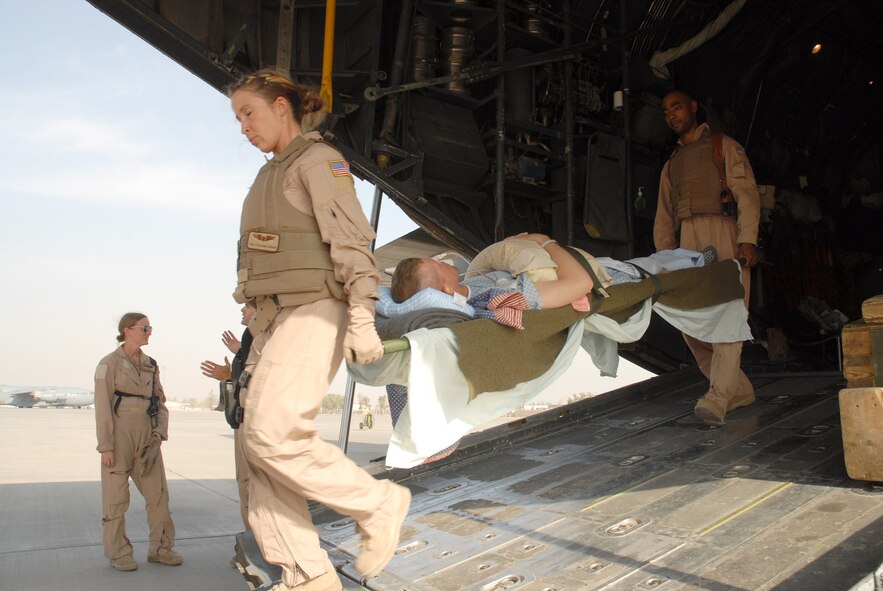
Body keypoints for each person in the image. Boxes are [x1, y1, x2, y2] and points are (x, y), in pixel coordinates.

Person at [227, 68, 410, 591]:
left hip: (314, 311)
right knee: (257, 451)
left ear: (282, 106)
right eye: (237, 116)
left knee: (274, 433)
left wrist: (360, 315)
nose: (243, 126)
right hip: (274, 320)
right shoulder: (269, 173)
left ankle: (378, 505)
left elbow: (352, 243)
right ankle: (306, 575)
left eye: (249, 112)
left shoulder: (317, 161)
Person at [653, 89, 761, 425]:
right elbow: (664, 215)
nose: (672, 114)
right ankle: (738, 390)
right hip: (688, 243)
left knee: (727, 315)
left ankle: (718, 397)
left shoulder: (722, 145)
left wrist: (748, 240)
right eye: (666, 110)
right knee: (691, 322)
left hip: (723, 232)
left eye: (677, 107)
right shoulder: (672, 163)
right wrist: (665, 258)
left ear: (693, 107)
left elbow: (747, 193)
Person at [93, 313, 182, 571]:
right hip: (119, 438)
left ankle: (161, 548)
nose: (149, 332)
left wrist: (159, 433)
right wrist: (106, 445)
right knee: (116, 499)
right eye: (145, 328)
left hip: (147, 438)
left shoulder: (151, 365)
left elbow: (161, 404)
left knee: (158, 496)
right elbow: (102, 407)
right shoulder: (107, 364)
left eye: (150, 327)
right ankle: (119, 552)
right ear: (127, 330)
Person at [391, 233, 593, 309]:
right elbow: (581, 283)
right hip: (616, 276)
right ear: (445, 291)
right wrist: (544, 241)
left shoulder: (470, 285)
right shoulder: (499, 300)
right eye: (436, 264)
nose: (439, 259)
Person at [200, 301, 256, 531]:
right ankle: (254, 542)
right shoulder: (249, 340)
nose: (242, 310)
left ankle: (262, 548)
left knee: (253, 487)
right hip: (243, 421)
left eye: (248, 306)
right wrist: (228, 375)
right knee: (245, 485)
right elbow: (245, 382)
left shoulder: (259, 339)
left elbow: (262, 377)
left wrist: (241, 352)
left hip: (255, 425)